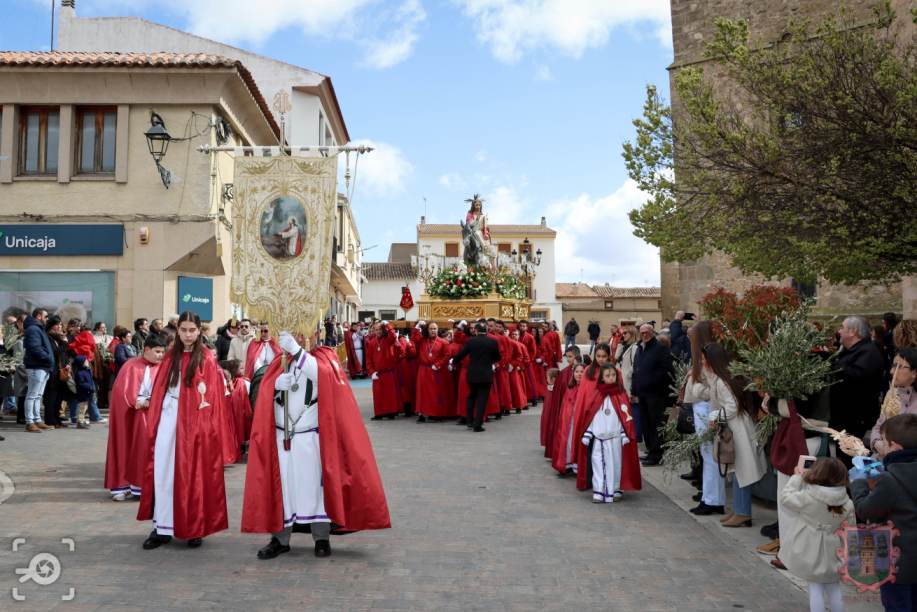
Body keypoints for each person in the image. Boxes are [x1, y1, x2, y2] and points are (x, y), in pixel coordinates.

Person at [242, 332, 391, 559]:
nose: (298, 336)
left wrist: (298, 351)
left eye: (302, 332)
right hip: (283, 438)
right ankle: (280, 539)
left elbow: (323, 377)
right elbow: (263, 397)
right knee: (283, 489)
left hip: (310, 439)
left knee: (315, 490)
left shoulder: (324, 357)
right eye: (293, 332)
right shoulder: (278, 362)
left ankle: (321, 537)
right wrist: (272, 386)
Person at [137, 311, 229, 550]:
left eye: (192, 330)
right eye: (184, 330)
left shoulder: (206, 358)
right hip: (169, 419)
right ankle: (163, 527)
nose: (188, 334)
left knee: (192, 474)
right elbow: (160, 390)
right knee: (164, 472)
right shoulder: (170, 356)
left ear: (199, 332)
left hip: (195, 426)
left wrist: (203, 427)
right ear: (177, 331)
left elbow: (210, 398)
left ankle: (194, 526)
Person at [850, 413, 917, 611]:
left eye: (885, 443)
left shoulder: (890, 479)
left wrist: (860, 479)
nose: (883, 448)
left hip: (898, 565)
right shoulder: (888, 475)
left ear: (896, 447)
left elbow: (865, 510)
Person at [700, 343, 767, 522]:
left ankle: (743, 512)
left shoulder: (722, 381)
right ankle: (739, 509)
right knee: (738, 470)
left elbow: (732, 407)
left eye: (704, 359)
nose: (702, 362)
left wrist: (715, 417)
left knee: (741, 470)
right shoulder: (722, 377)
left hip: (737, 428)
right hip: (736, 426)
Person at [779, 458, 854, 612]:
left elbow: (786, 497)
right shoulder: (848, 503)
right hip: (834, 551)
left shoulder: (807, 497)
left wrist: (797, 477)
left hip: (809, 549)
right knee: (834, 587)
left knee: (815, 588)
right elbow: (851, 530)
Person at [104, 334, 167, 500]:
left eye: (163, 352)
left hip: (149, 416)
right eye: (158, 352)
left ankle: (140, 486)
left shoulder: (161, 367)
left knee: (144, 451)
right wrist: (137, 402)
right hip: (129, 416)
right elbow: (121, 392)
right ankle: (121, 485)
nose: (161, 355)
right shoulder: (131, 366)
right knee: (124, 447)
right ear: (146, 350)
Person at [574, 365, 641, 502]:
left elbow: (625, 417)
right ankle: (598, 491)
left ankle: (616, 488)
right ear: (602, 378)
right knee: (597, 463)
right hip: (599, 438)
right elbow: (592, 416)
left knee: (615, 465)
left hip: (615, 439)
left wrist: (624, 433)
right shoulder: (597, 394)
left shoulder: (620, 394)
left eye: (613, 375)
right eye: (607, 375)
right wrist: (588, 433)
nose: (611, 378)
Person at [830, 316, 885, 462]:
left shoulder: (868, 352)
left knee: (852, 461)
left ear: (853, 331)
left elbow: (856, 379)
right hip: (845, 419)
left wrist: (833, 368)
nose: (839, 331)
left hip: (855, 420)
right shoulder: (855, 351)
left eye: (842, 327)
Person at [632, 323, 673, 466]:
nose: (644, 335)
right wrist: (634, 390)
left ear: (652, 332)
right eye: (642, 332)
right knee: (646, 424)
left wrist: (651, 381)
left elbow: (667, 371)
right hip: (642, 394)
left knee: (656, 424)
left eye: (647, 332)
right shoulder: (640, 348)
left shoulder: (660, 348)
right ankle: (651, 451)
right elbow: (636, 370)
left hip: (656, 394)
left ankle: (657, 454)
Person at [451, 322, 501, 432]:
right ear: (487, 331)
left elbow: (461, 355)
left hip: (472, 374)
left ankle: (469, 421)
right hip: (486, 374)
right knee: (482, 400)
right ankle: (477, 424)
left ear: (476, 331)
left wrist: (453, 361)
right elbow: (497, 357)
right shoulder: (493, 342)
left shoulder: (470, 341)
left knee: (471, 397)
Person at [869, 348, 917, 458]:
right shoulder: (892, 394)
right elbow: (878, 426)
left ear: (914, 373)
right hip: (882, 457)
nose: (891, 371)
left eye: (898, 367)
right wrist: (877, 443)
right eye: (893, 366)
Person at [412, 321, 450, 423]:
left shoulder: (443, 342)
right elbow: (414, 339)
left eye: (435, 329)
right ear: (427, 330)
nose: (433, 331)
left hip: (435, 371)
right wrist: (417, 328)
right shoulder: (422, 340)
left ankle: (436, 414)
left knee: (435, 393)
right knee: (422, 393)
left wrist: (438, 365)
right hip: (423, 370)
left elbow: (447, 355)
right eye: (431, 329)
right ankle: (422, 414)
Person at [23, 308, 54, 432]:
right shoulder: (33, 329)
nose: (47, 319)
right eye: (46, 316)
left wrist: (48, 360)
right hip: (37, 366)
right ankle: (30, 422)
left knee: (37, 396)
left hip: (42, 366)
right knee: (32, 395)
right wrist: (47, 358)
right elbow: (35, 348)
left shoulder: (38, 328)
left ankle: (37, 420)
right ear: (39, 316)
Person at [551, 363, 585, 475]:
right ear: (573, 373)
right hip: (569, 421)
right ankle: (566, 463)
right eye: (577, 372)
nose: (579, 374)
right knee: (568, 442)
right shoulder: (570, 388)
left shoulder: (586, 388)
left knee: (577, 442)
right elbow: (565, 406)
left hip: (580, 421)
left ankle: (577, 465)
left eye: (581, 371)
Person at [366, 321, 402, 420]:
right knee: (378, 394)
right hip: (377, 373)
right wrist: (372, 372)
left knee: (389, 394)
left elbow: (394, 336)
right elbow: (369, 359)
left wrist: (388, 325)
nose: (378, 332)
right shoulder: (372, 342)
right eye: (376, 330)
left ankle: (391, 412)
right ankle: (379, 413)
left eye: (379, 329)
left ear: (383, 330)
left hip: (388, 372)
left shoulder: (388, 340)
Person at [72, 355, 96, 429]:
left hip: (86, 393)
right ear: (81, 363)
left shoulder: (86, 371)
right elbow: (81, 383)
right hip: (82, 393)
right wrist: (90, 387)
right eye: (85, 361)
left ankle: (82, 420)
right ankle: (80, 422)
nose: (87, 362)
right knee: (82, 408)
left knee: (85, 407)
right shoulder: (80, 373)